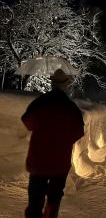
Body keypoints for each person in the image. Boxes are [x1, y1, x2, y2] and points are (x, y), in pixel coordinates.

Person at [22, 69, 84, 218]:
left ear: (52, 84)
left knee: (35, 199)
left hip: (38, 158)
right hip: (60, 160)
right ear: (66, 86)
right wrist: (64, 139)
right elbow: (79, 131)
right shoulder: (70, 107)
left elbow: (27, 121)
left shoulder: (40, 102)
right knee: (54, 198)